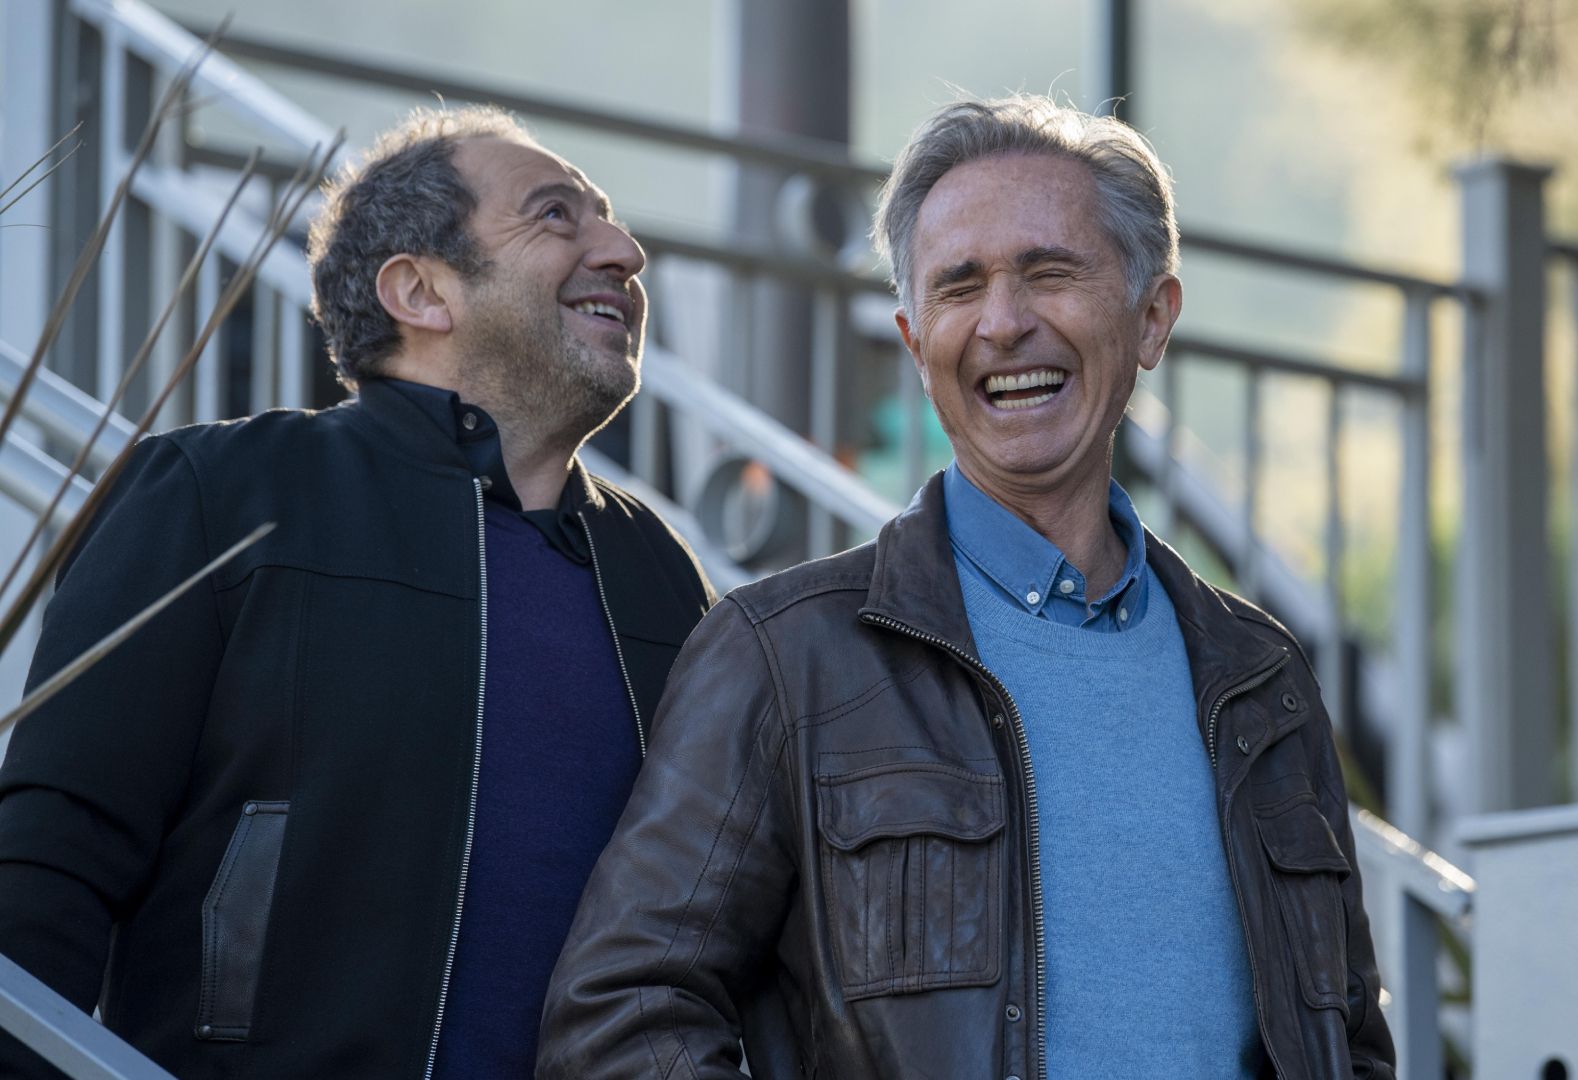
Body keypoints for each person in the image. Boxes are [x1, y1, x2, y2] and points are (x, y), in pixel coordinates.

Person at [539, 94, 1394, 1080]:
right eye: (960, 287)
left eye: (1050, 273)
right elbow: (623, 1016)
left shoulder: (1262, 676)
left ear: (1152, 317)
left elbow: (1349, 1044)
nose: (1003, 323)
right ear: (917, 343)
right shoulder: (784, 657)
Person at [0, 105, 712, 1078]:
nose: (624, 252)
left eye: (610, 222)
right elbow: (47, 873)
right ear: (420, 290)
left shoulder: (662, 573)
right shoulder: (218, 493)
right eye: (556, 215)